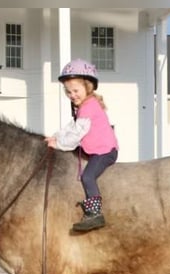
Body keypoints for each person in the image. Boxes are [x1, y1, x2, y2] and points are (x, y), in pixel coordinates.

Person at [45, 59, 118, 232]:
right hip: (94, 149)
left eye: (76, 90)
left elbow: (77, 134)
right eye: (68, 92)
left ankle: (95, 213)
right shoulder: (83, 106)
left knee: (87, 177)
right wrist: (54, 137)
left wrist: (59, 144)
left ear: (88, 87)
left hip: (104, 151)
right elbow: (71, 127)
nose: (72, 95)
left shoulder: (88, 107)